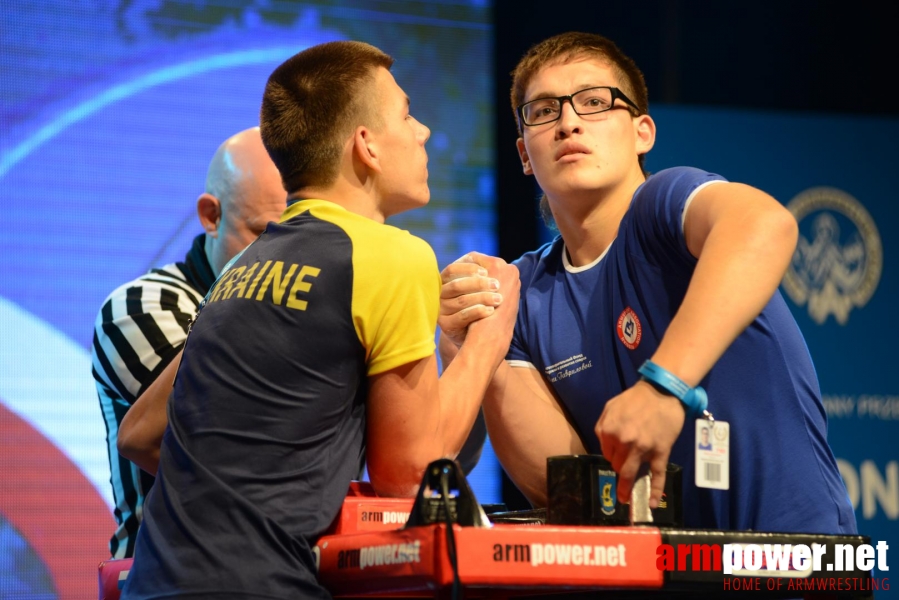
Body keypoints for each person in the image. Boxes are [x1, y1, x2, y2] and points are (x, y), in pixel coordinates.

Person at [120, 40, 518, 600]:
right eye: (406, 114)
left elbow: (139, 435)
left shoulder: (240, 269)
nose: (423, 130)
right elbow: (409, 476)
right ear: (367, 147)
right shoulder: (390, 255)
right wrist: (486, 343)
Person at [440, 31, 856, 535]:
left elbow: (766, 226)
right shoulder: (521, 291)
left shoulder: (664, 204)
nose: (569, 122)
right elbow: (567, 490)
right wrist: (473, 347)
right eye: (545, 111)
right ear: (525, 154)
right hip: (662, 576)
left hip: (793, 558)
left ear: (642, 132)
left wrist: (664, 388)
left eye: (594, 103)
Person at [91, 126, 287, 559]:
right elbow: (226, 449)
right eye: (264, 236)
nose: (283, 262)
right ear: (211, 215)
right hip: (167, 573)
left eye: (299, 241)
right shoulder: (142, 306)